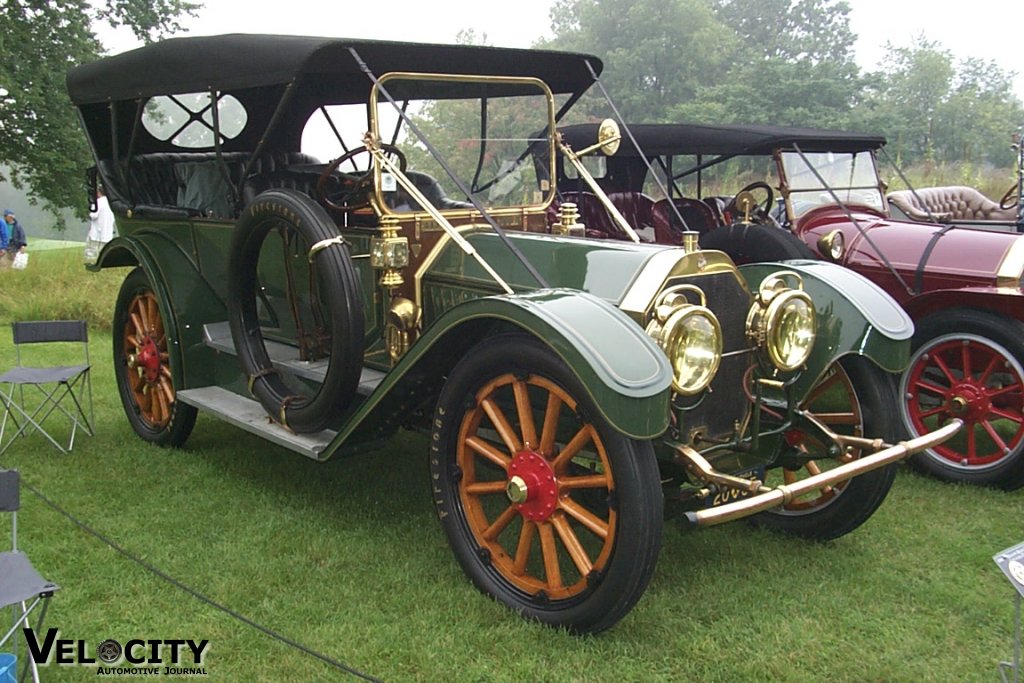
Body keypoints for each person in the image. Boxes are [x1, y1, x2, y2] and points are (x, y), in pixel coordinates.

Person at [85, 187, 116, 263]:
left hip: (96, 232)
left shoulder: (98, 202)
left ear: (99, 192)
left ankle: (91, 263)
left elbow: (93, 215)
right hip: (108, 232)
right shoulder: (112, 203)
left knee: (92, 251)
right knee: (104, 252)